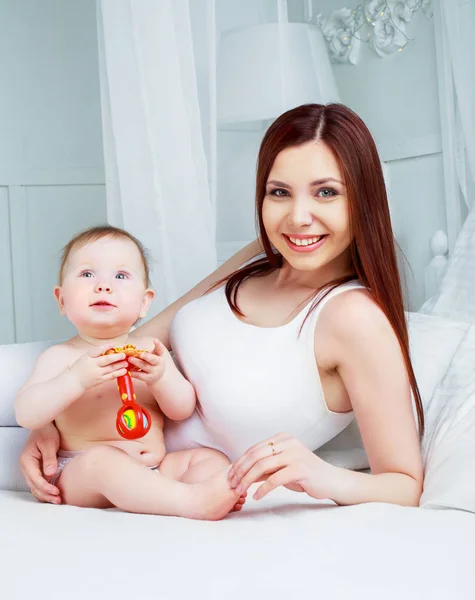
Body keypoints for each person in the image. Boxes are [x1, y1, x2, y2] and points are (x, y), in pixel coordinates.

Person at [20, 103, 424, 508]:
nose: (298, 218)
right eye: (279, 192)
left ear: (363, 200)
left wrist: (320, 474)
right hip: (99, 429)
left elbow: (403, 484)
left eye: (326, 192)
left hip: (176, 478)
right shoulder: (258, 258)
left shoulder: (353, 319)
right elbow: (133, 341)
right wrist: (56, 424)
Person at [15, 226, 246, 519]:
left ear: (145, 302)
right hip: (79, 472)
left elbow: (182, 409)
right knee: (102, 462)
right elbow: (26, 414)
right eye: (87, 274)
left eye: (121, 276)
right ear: (61, 300)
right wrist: (75, 379)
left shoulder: (150, 351)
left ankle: (205, 491)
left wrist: (161, 378)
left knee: (208, 458)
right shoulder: (61, 358)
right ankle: (188, 501)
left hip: (153, 468)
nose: (103, 286)